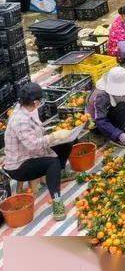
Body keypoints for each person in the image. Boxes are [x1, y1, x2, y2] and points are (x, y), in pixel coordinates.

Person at [2, 83, 78, 221]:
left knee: (67, 141)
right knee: (52, 163)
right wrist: (53, 137)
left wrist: (56, 136)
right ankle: (57, 203)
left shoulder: (29, 109)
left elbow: (37, 135)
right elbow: (33, 145)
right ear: (36, 102)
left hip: (32, 154)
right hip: (20, 166)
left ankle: (58, 174)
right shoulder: (20, 120)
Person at [86, 66, 125, 146]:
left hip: (112, 111)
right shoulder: (101, 95)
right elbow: (100, 120)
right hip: (99, 124)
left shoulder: (122, 82)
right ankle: (122, 135)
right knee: (122, 107)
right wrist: (118, 134)